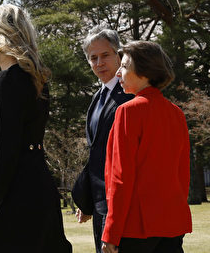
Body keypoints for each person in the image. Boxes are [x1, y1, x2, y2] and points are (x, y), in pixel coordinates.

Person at [0, 4, 72, 252]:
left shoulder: (7, 80)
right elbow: (21, 127)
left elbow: (7, 151)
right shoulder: (37, 77)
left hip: (15, 193)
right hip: (38, 186)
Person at [101, 41, 192, 253]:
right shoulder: (176, 113)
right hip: (172, 224)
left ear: (144, 71)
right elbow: (182, 175)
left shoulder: (128, 112)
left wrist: (111, 231)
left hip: (135, 227)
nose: (117, 73)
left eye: (123, 66)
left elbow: (120, 177)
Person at [71, 25, 134, 253]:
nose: (99, 63)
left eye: (105, 55)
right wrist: (87, 199)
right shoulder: (97, 97)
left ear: (119, 55)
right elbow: (95, 153)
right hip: (100, 204)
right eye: (93, 58)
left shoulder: (130, 94)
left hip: (123, 205)